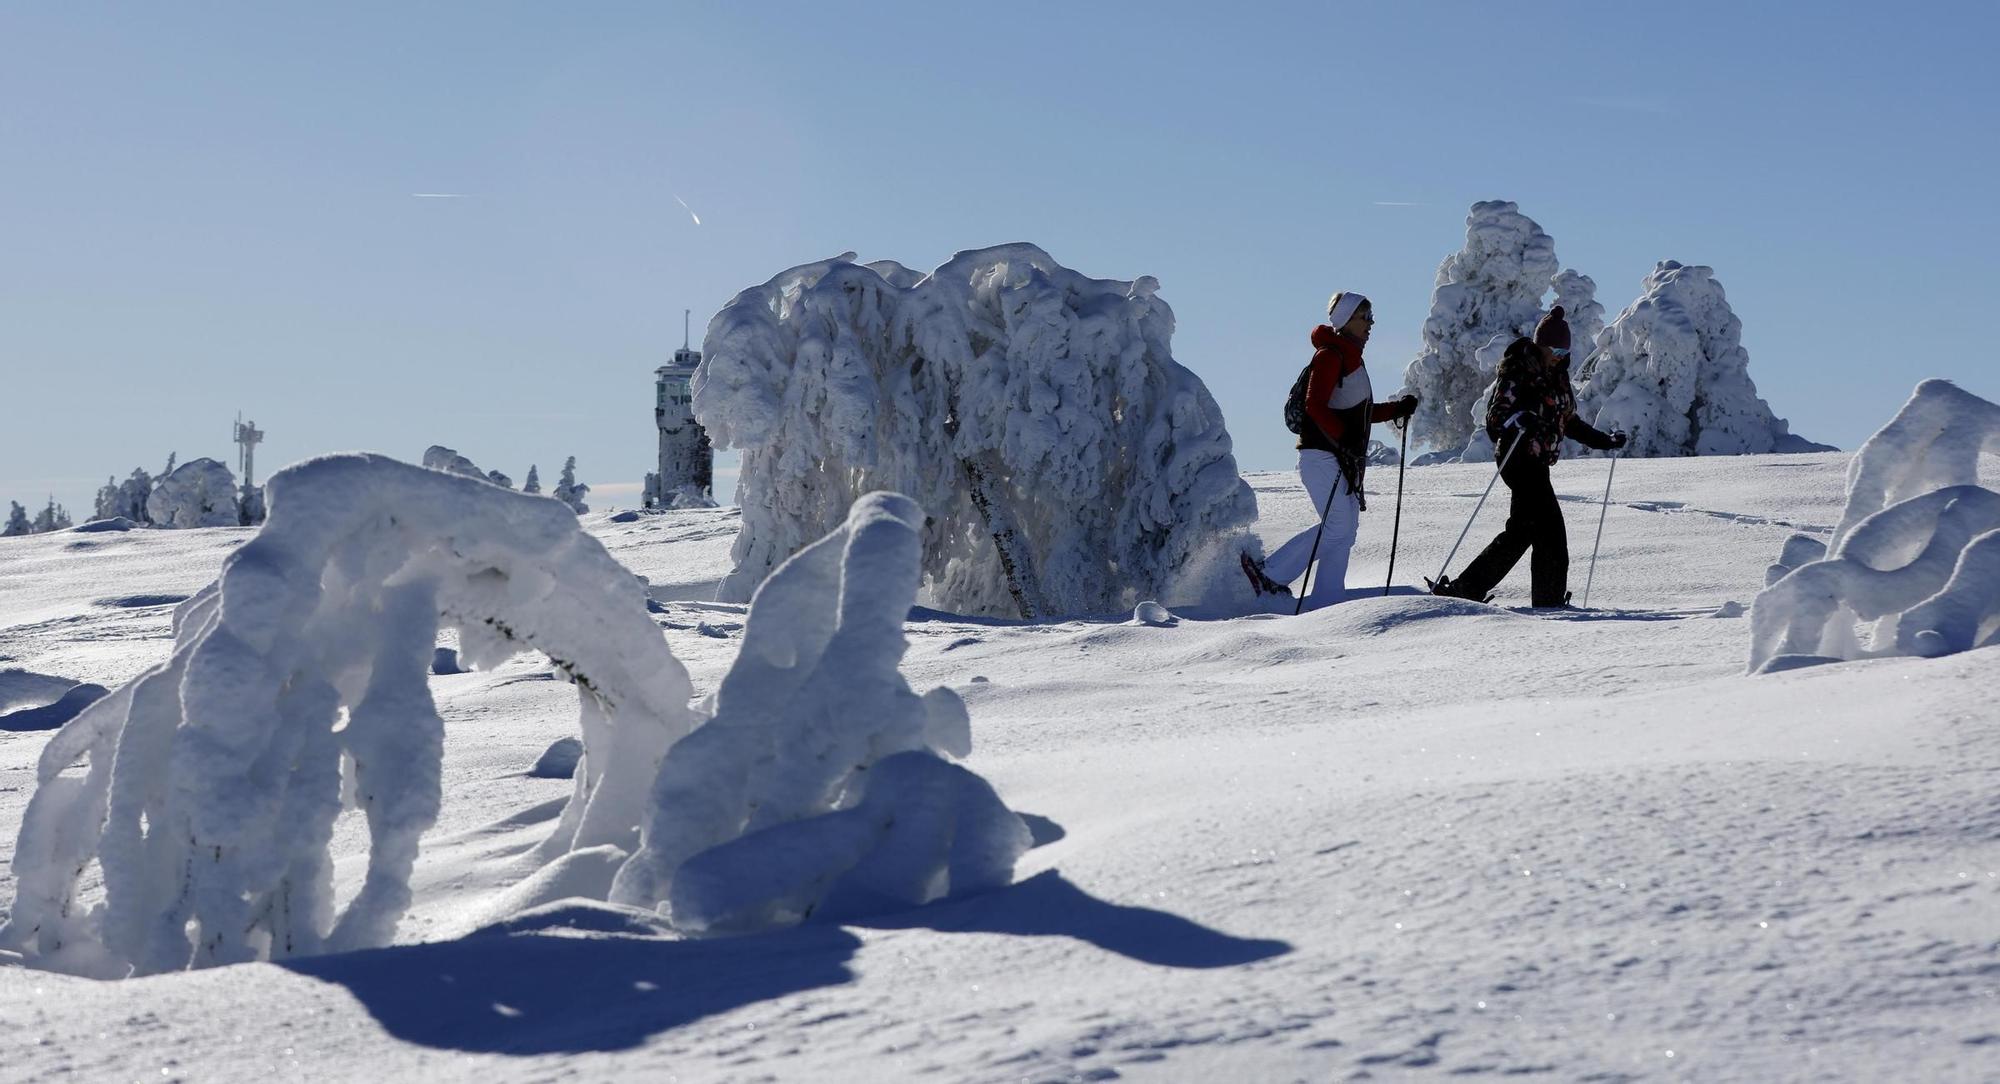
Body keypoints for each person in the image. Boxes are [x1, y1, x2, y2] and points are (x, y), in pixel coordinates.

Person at [1431, 306, 1626, 607]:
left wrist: (1605, 441)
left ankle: (1466, 588)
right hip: (1517, 458)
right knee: (1552, 535)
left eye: (1564, 349)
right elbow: (1496, 418)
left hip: (1537, 464)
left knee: (1521, 532)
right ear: (1540, 345)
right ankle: (1547, 602)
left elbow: (1569, 422)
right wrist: (1517, 420)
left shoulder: (1557, 378)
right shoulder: (1518, 371)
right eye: (1554, 348)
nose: (1560, 355)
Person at [1243, 291, 1418, 609]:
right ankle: (1269, 573)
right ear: (1344, 320)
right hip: (1319, 455)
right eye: (1364, 317)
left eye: (1371, 317)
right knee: (1339, 524)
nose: (1370, 324)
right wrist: (1344, 437)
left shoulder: (1350, 358)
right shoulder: (1330, 355)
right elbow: (1314, 406)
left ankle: (1329, 600)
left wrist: (1397, 409)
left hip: (1338, 457)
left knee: (1345, 528)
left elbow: (1358, 414)